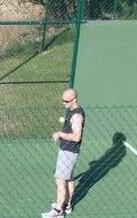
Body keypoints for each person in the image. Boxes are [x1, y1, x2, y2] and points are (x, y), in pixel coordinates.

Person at [42, 88, 85, 218]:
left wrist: (60, 134)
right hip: (68, 149)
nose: (63, 103)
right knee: (69, 178)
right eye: (62, 100)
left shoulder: (77, 116)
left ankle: (58, 210)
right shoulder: (70, 109)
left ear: (74, 100)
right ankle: (67, 205)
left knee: (60, 180)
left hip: (69, 151)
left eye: (66, 101)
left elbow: (77, 137)